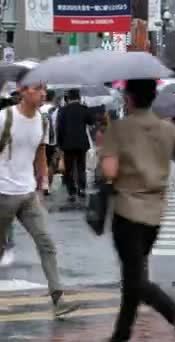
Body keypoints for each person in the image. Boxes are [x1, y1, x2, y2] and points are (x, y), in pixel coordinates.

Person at [100, 79, 175, 341]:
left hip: (127, 211)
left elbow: (110, 173)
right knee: (133, 274)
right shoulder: (166, 128)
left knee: (135, 279)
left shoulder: (119, 129)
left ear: (129, 98)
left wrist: (106, 153)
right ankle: (120, 335)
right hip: (154, 214)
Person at [0, 74, 79, 317]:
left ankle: (58, 299)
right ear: (23, 91)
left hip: (28, 194)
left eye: (45, 88)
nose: (43, 93)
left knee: (46, 243)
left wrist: (43, 185)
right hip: (2, 193)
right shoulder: (5, 118)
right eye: (38, 89)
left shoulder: (43, 121)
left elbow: (40, 154)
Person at [56, 89, 95, 202]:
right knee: (81, 166)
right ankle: (82, 188)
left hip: (67, 144)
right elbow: (91, 122)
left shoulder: (63, 110)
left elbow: (60, 128)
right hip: (82, 143)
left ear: (68, 98)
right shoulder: (83, 109)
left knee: (69, 169)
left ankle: (71, 192)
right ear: (79, 97)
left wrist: (59, 144)